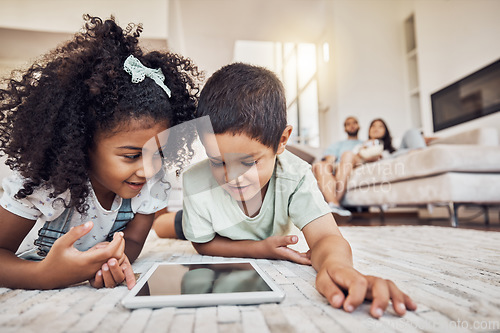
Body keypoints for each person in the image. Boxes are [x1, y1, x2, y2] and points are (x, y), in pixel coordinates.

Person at [178, 63, 416, 318]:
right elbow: (203, 243)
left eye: (248, 162)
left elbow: (326, 237)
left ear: (281, 141)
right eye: (218, 162)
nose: (233, 178)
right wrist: (259, 249)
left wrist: (336, 265)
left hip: (234, 223)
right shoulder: (195, 183)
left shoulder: (296, 175)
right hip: (213, 223)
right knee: (173, 226)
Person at [0, 15, 200, 290]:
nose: (148, 169)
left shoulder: (151, 186)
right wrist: (46, 275)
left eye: (158, 153)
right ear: (84, 144)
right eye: (131, 155)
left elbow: (132, 242)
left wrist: (112, 262)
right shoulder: (43, 186)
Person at [319, 118, 425, 211]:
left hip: (389, 156)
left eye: (380, 126)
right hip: (367, 159)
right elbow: (352, 157)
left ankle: (333, 204)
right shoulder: (362, 145)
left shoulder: (391, 148)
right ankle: (335, 204)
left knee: (411, 132)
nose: (376, 128)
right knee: (346, 155)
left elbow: (397, 152)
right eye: (373, 126)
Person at [312, 117, 362, 217]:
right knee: (319, 165)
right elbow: (329, 160)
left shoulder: (364, 144)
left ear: (359, 126)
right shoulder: (337, 145)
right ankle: (334, 205)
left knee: (347, 154)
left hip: (353, 165)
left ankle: (333, 204)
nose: (351, 126)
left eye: (354, 123)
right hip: (338, 168)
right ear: (345, 129)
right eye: (348, 124)